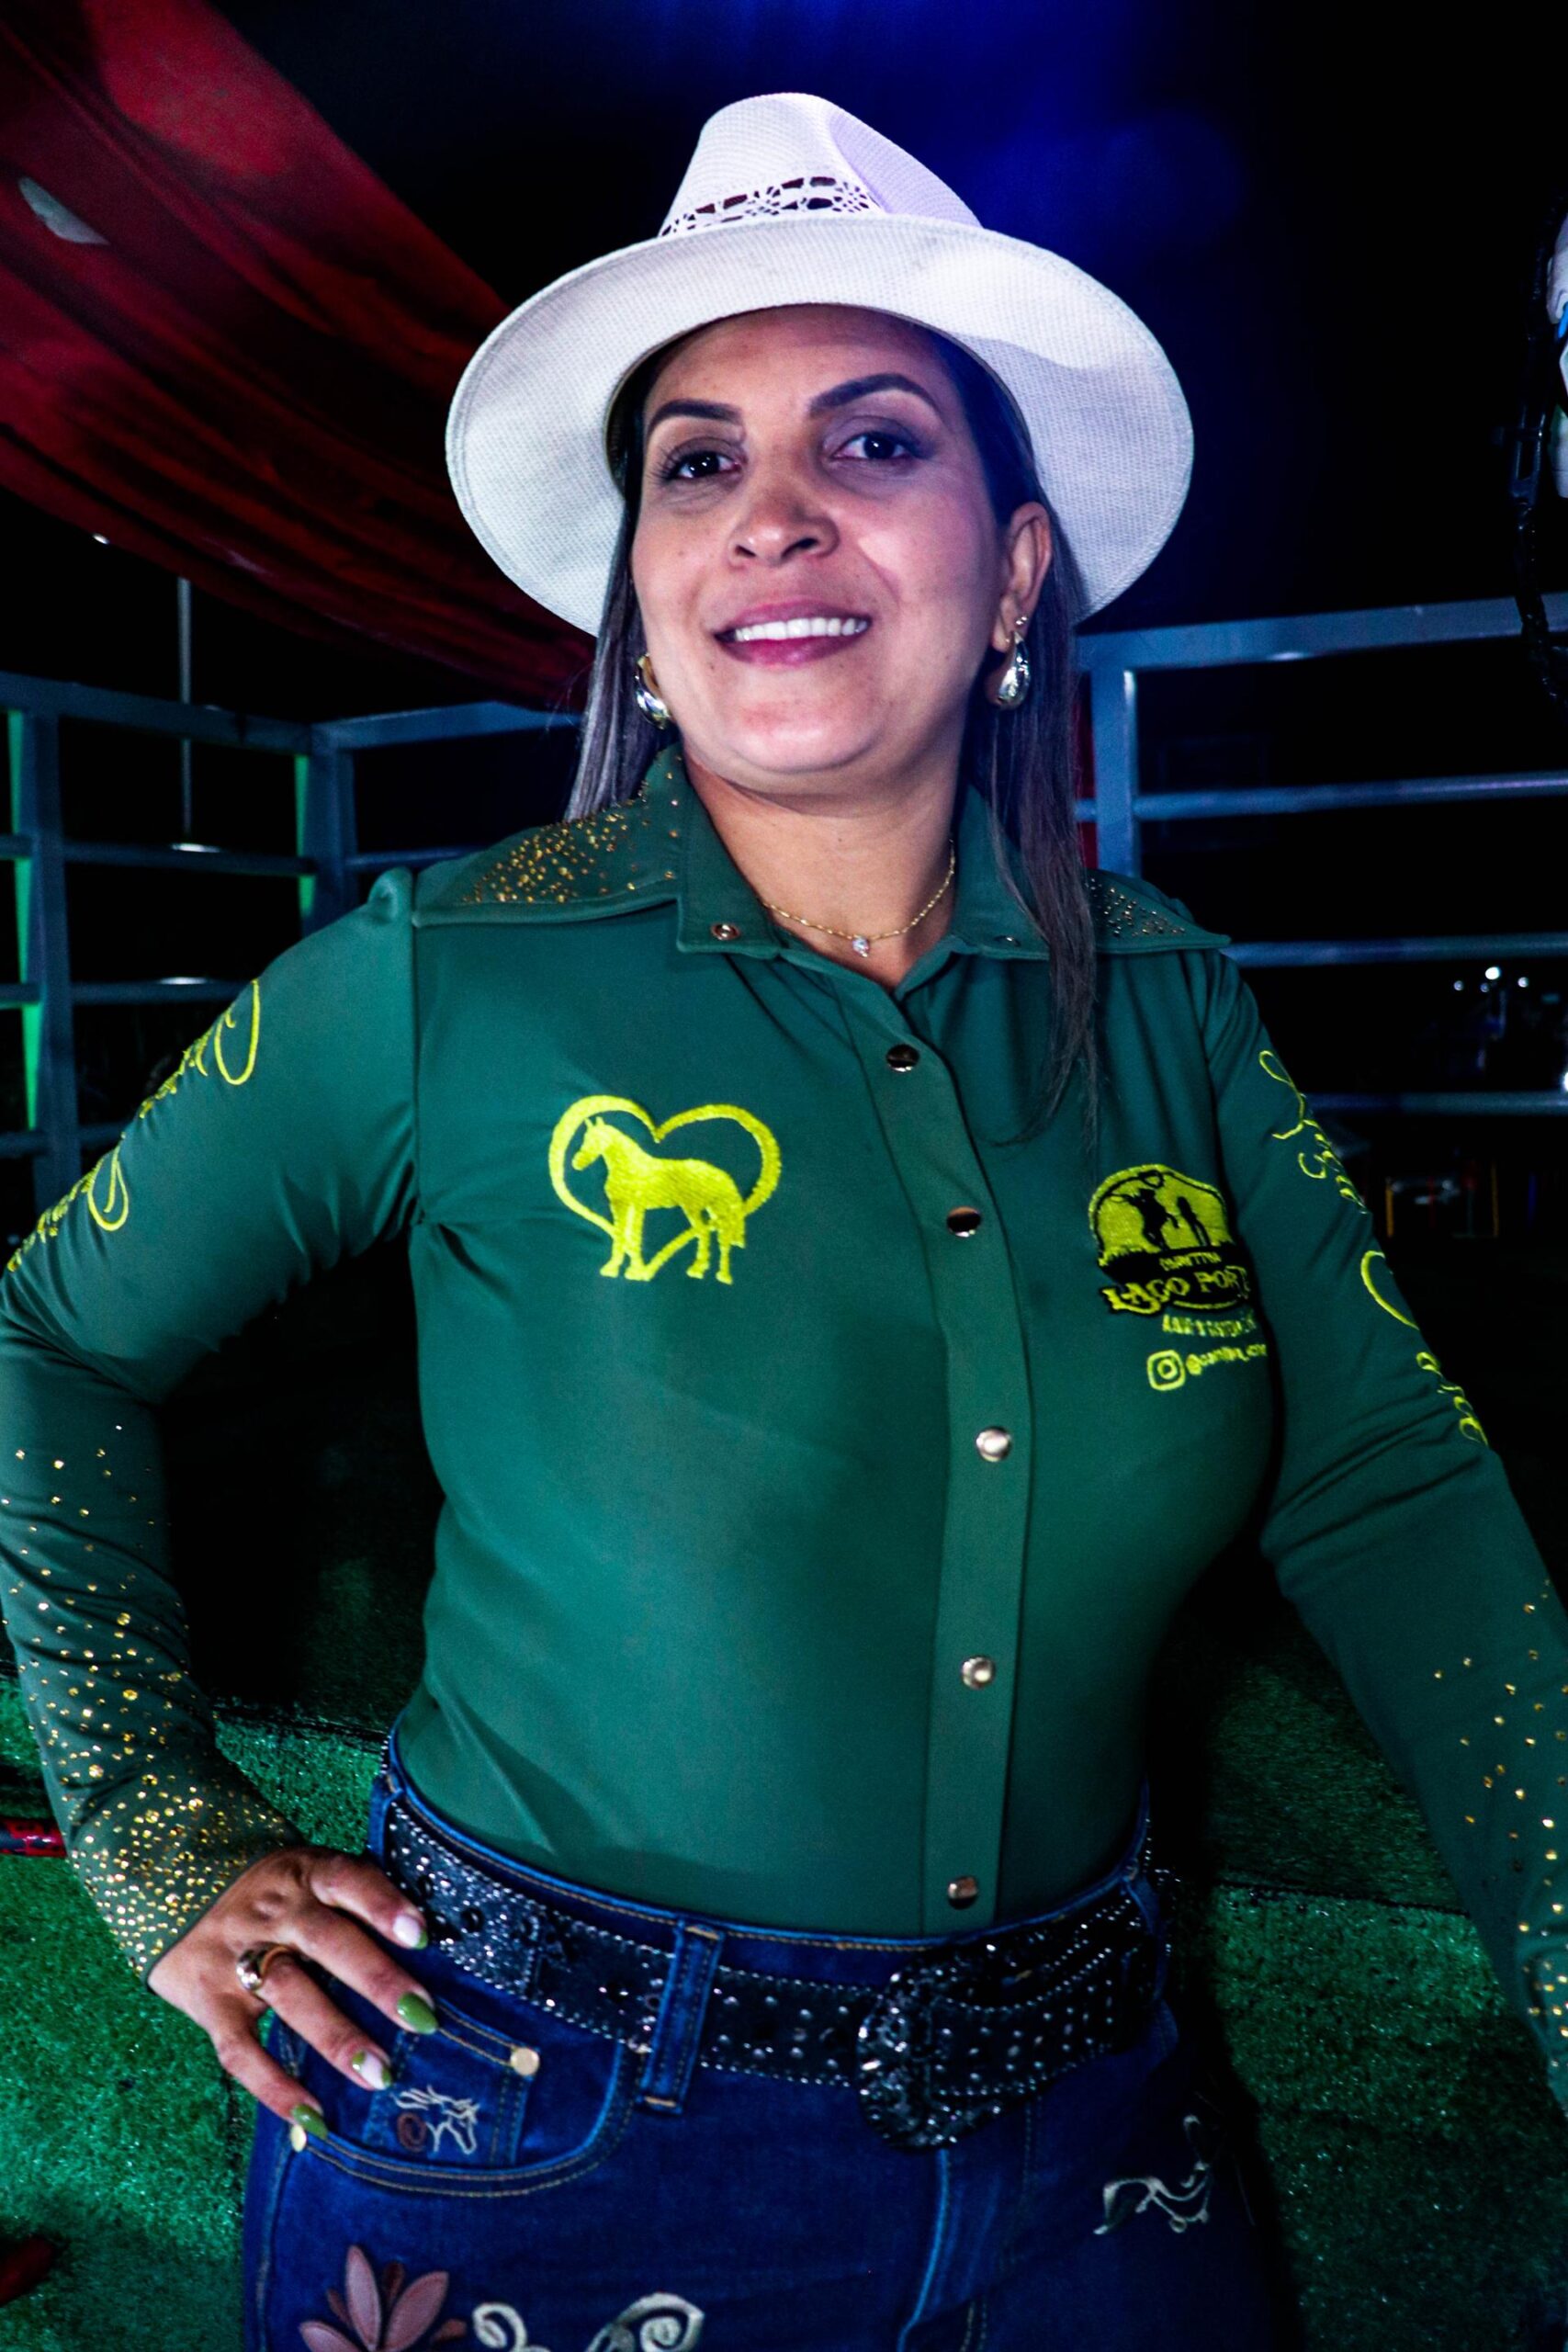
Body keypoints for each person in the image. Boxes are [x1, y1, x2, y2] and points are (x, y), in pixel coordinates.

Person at [0, 89, 1562, 2352]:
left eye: (874, 440)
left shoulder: (1175, 1009)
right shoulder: (443, 973)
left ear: (1010, 569)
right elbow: (46, 1330)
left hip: (1098, 2129)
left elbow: (1389, 1484)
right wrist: (152, 1822)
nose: (772, 512)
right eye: (696, 461)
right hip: (528, 2124)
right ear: (643, 592)